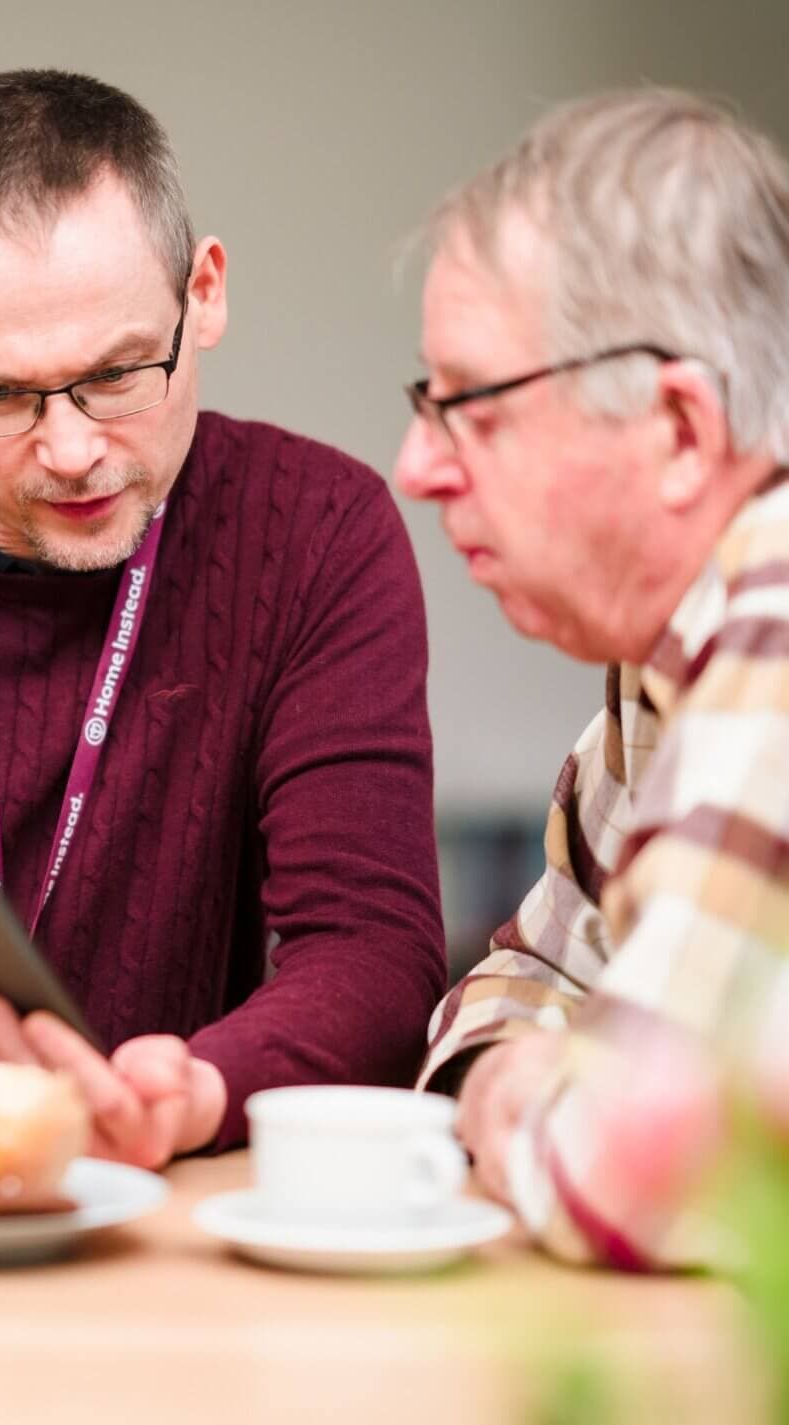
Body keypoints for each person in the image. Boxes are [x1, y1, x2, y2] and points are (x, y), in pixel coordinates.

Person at [0, 69, 445, 1168]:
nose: (71, 449)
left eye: (118, 374)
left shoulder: (317, 529)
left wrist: (195, 1091)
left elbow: (372, 949)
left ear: (206, 292)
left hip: (157, 1207)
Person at [395, 88, 789, 1268]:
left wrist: (520, 1091)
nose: (416, 466)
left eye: (471, 406)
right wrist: (526, 1071)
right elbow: (520, 976)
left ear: (678, 432)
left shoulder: (773, 623)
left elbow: (611, 1175)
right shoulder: (661, 655)